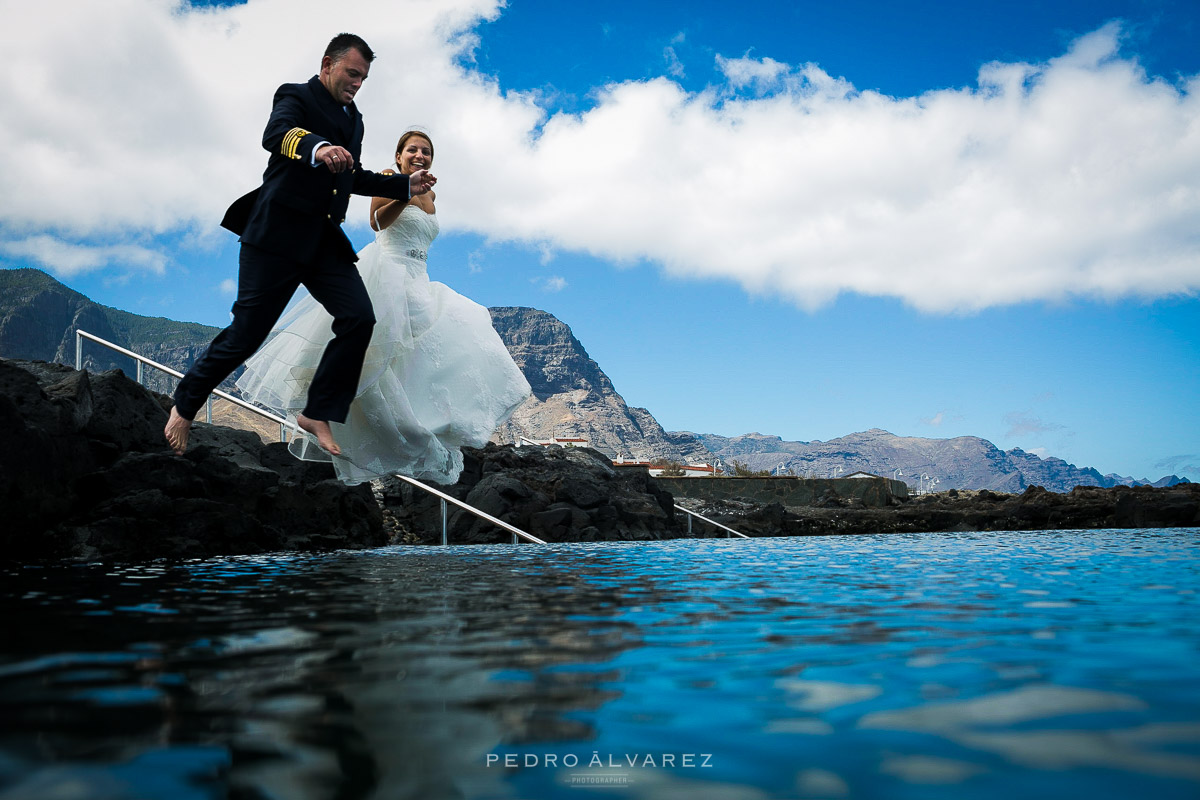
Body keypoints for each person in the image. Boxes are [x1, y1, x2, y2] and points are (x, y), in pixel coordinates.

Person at [164, 33, 437, 457]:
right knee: (246, 334)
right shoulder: (295, 96)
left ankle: (317, 410)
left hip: (323, 240)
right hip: (274, 235)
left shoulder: (355, 120)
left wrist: (404, 183)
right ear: (327, 64)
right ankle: (184, 406)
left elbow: (354, 176)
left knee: (359, 317)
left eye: (363, 78)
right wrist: (320, 147)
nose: (357, 84)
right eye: (351, 74)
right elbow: (278, 134)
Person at [235, 130, 532, 485]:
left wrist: (419, 192)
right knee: (380, 355)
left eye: (426, 151)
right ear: (399, 155)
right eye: (412, 150)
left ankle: (428, 423)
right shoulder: (389, 180)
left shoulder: (432, 193)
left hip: (420, 278)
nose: (419, 155)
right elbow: (377, 222)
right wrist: (406, 193)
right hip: (388, 275)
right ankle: (340, 417)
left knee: (442, 348)